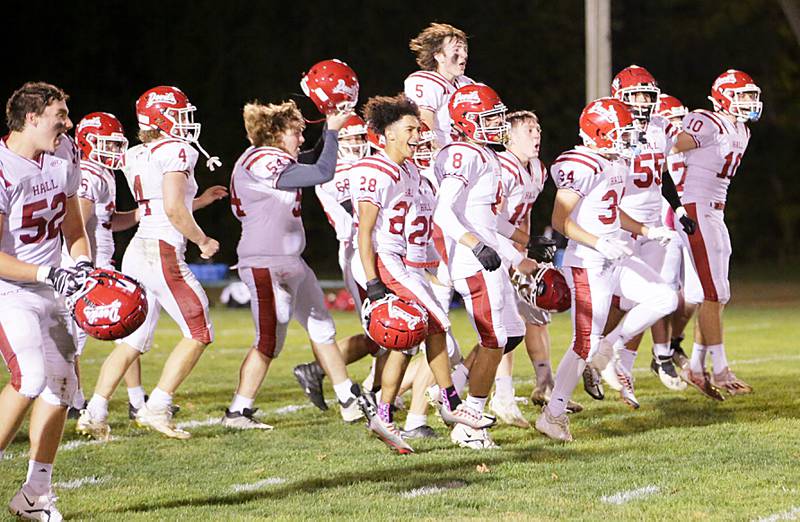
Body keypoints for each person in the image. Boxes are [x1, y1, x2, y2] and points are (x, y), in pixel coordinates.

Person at [78, 86, 225, 441]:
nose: (186, 121)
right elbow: (173, 209)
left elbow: (156, 206)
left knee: (132, 340)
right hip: (162, 251)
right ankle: (157, 405)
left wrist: (199, 201)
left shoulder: (135, 154)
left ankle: (94, 412)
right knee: (200, 332)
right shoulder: (178, 150)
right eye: (179, 114)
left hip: (138, 251)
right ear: (161, 118)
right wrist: (203, 240)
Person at [535, 97, 678, 442]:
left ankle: (610, 347)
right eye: (621, 131)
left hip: (615, 255)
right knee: (583, 343)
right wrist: (598, 243)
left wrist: (645, 230)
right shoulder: (581, 164)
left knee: (664, 297)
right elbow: (559, 220)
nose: (629, 138)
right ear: (599, 132)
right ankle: (553, 414)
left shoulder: (614, 163)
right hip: (588, 263)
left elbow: (612, 212)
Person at [224, 99, 365, 429]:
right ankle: (238, 411)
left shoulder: (274, 158)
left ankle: (347, 399)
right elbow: (321, 171)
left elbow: (314, 159)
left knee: (322, 327)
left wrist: (334, 122)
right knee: (269, 341)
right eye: (295, 132)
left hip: (290, 260)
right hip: (265, 262)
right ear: (274, 132)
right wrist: (330, 131)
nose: (300, 139)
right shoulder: (262, 158)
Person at [351, 94, 480, 453]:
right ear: (389, 133)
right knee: (439, 321)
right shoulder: (375, 170)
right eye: (409, 129)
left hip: (409, 262)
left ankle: (382, 414)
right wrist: (373, 281)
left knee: (406, 340)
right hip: (387, 259)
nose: (416, 135)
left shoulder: (408, 170)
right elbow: (365, 232)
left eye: (417, 128)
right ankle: (451, 403)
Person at [0, 81, 90, 521]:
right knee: (31, 377)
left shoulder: (64, 153)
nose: (68, 124)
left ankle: (35, 493)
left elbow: (73, 224)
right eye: (60, 116)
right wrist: (47, 272)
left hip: (52, 287)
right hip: (10, 289)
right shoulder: (1, 168)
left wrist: (83, 264)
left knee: (62, 387)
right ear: (32, 118)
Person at [433, 84, 539, 449]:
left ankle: (453, 392)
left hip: (489, 254)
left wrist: (523, 244)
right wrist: (475, 245)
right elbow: (443, 211)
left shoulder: (485, 154)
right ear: (465, 122)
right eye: (489, 118)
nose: (497, 125)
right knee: (494, 338)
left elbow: (488, 219)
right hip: (473, 259)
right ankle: (469, 422)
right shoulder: (463, 153)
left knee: (511, 335)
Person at [598, 65, 695, 406]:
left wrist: (679, 208)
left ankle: (621, 369)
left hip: (654, 223)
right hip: (623, 223)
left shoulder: (659, 128)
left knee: (648, 302)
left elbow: (662, 174)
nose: (641, 102)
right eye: (634, 95)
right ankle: (595, 356)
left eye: (646, 95)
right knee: (613, 302)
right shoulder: (614, 129)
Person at [672, 69, 762, 398]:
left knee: (719, 295)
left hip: (716, 210)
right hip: (697, 208)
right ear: (724, 96)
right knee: (711, 294)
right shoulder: (706, 121)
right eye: (744, 95)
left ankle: (696, 367)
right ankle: (721, 370)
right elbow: (671, 147)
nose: (750, 102)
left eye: (752, 95)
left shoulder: (742, 130)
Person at [494, 110, 583, 424]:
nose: (536, 135)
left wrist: (528, 242)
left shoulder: (536, 169)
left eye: (538, 129)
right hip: (494, 250)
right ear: (510, 136)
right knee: (505, 326)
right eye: (529, 130)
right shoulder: (501, 168)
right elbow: (493, 222)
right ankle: (501, 396)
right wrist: (515, 253)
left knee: (537, 314)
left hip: (517, 247)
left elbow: (526, 212)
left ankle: (545, 384)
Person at [405, 22, 474, 148]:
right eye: (457, 50)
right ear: (439, 56)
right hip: (438, 160)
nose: (464, 55)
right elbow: (424, 129)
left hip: (464, 157)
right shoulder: (426, 82)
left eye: (465, 49)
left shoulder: (467, 84)